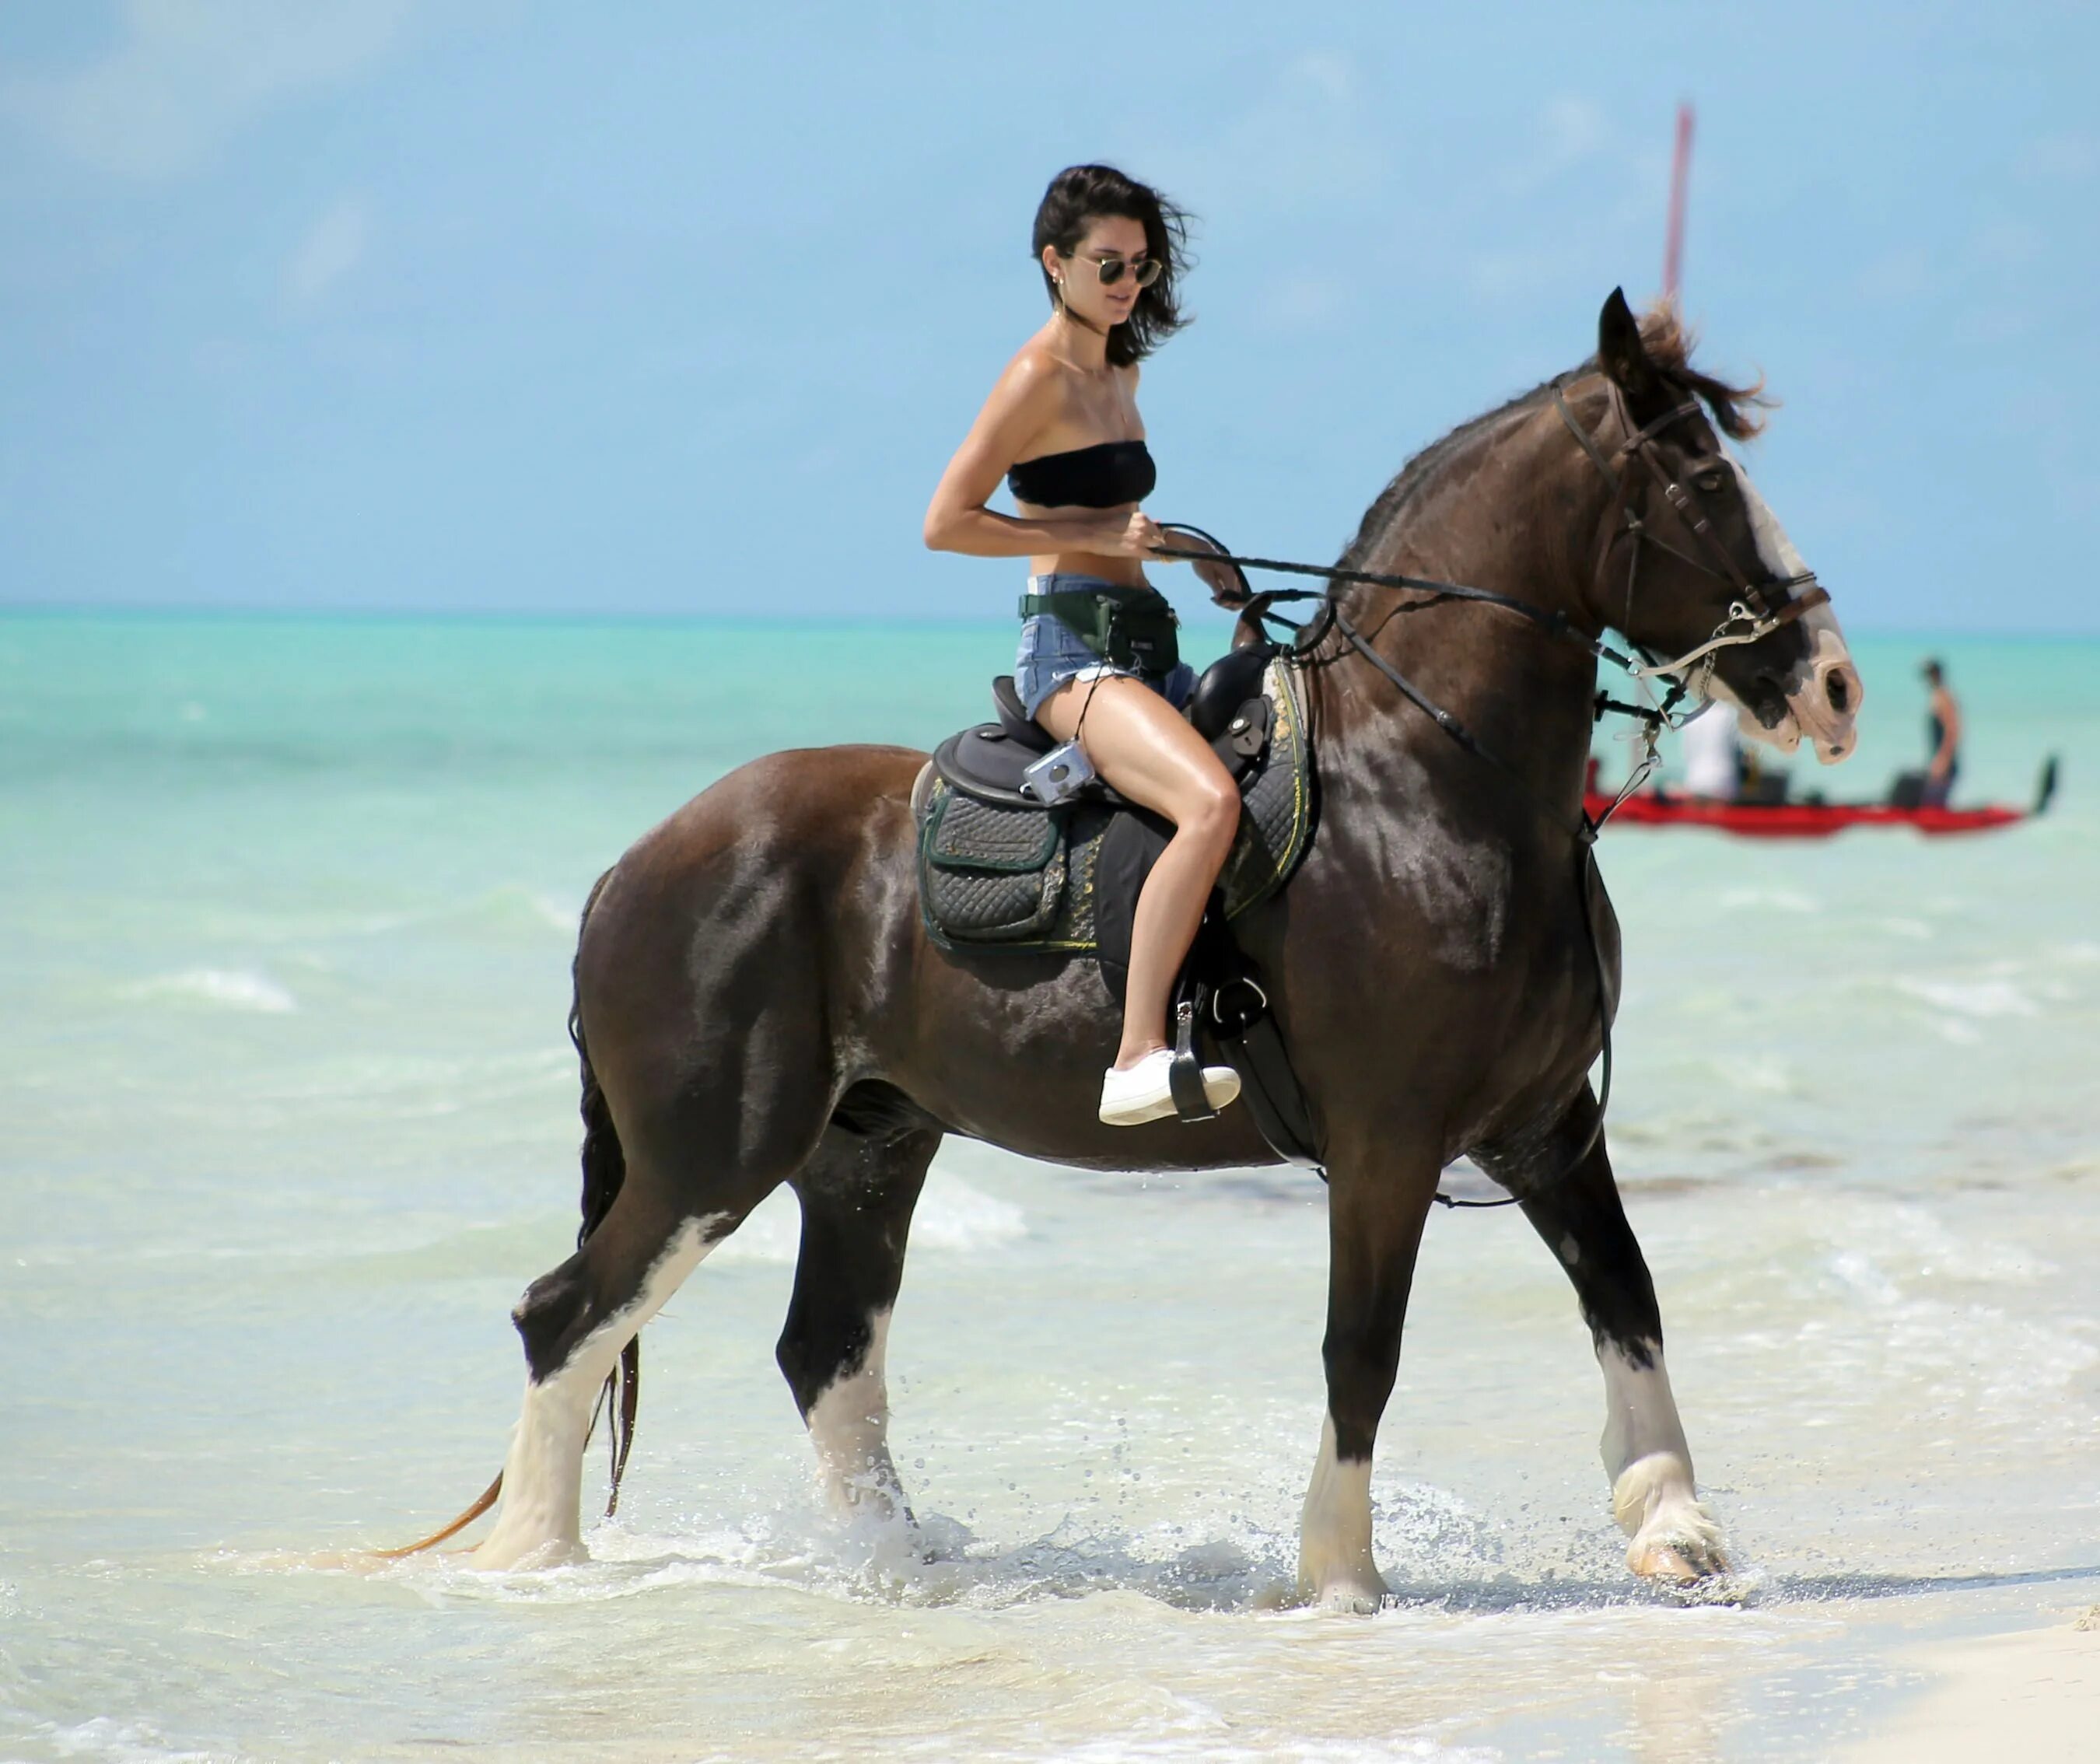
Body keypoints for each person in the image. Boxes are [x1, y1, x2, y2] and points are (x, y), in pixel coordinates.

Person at [923, 164, 1247, 1128]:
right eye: (1108, 263)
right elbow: (947, 522)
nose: (1127, 283)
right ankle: (1137, 1054)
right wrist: (1096, 544)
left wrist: (1185, 548)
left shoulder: (1120, 371)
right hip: (1071, 656)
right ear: (1054, 263)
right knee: (1209, 802)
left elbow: (1107, 511)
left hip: (1146, 640)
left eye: (1141, 267)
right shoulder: (1038, 377)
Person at [1679, 698, 1742, 801]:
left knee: (1696, 815)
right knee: (1719, 815)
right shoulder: (1728, 714)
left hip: (1695, 777)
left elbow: (1686, 750)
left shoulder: (1689, 716)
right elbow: (1738, 745)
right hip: (1723, 778)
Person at [1921, 658, 1962, 807]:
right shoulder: (1937, 696)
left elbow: (1953, 730)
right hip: (1941, 760)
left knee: (1933, 806)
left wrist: (1943, 759)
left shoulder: (1944, 698)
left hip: (1945, 762)